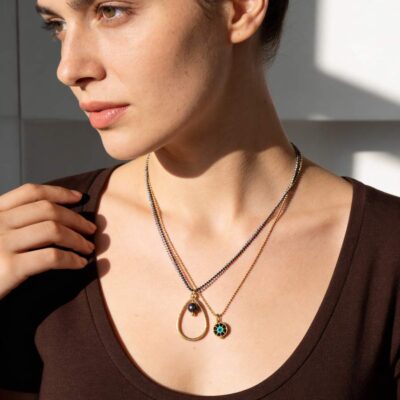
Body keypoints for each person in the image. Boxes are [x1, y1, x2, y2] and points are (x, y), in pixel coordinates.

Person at [0, 0, 399, 399]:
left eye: (111, 11)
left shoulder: (387, 254)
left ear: (240, 9)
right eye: (57, 24)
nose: (69, 69)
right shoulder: (37, 241)